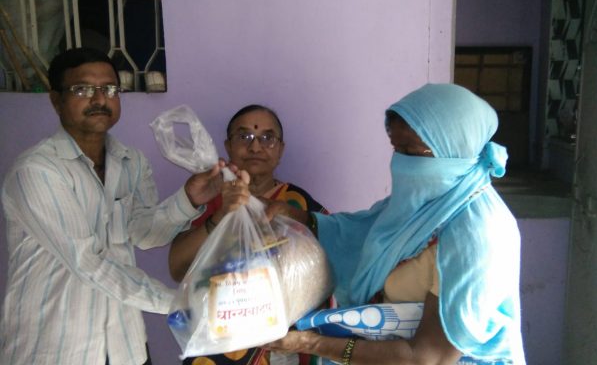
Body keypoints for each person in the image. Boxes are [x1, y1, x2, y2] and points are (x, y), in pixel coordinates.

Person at [0, 47, 239, 365]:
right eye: (83, 89)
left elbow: (144, 234)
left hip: (126, 346)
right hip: (56, 349)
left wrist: (189, 198)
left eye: (110, 89)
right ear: (56, 100)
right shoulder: (37, 171)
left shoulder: (130, 161)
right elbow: (88, 262)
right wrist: (182, 302)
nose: (100, 99)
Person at [263, 84, 526, 364]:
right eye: (396, 149)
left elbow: (427, 358)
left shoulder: (477, 236)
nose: (400, 164)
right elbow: (361, 233)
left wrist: (311, 343)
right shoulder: (425, 205)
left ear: (453, 150)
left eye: (410, 152)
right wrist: (298, 218)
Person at [169, 104, 328, 365]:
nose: (255, 147)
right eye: (244, 136)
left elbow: (330, 265)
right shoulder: (210, 197)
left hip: (282, 349)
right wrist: (222, 215)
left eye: (267, 138)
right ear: (228, 146)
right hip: (217, 348)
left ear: (280, 149)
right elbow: (177, 269)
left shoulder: (297, 203)